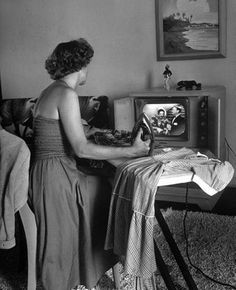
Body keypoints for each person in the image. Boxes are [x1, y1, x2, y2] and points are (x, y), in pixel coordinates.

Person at [28, 38, 150, 290]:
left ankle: (92, 265)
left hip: (46, 171)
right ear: (81, 65)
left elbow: (68, 137)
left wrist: (93, 133)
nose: (87, 70)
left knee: (102, 185)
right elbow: (81, 148)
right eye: (88, 64)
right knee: (106, 190)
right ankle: (100, 262)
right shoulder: (66, 93)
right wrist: (131, 151)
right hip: (55, 176)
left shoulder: (49, 91)